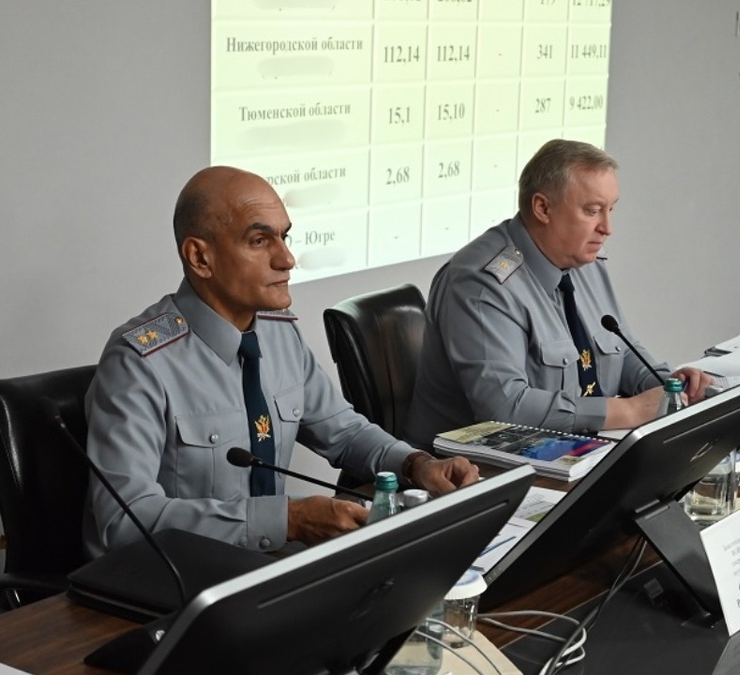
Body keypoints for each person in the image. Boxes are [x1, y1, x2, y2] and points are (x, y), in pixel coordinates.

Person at [83, 165, 478, 558]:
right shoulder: (139, 364)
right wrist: (289, 520)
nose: (287, 259)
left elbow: (344, 432)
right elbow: (123, 521)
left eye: (284, 237)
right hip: (179, 575)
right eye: (259, 241)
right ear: (200, 257)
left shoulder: (278, 332)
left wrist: (416, 465)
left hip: (266, 565)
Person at [405, 140, 711, 448]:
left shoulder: (584, 259)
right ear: (543, 208)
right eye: (593, 211)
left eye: (611, 209)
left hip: (572, 450)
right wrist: (629, 410)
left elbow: (622, 350)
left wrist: (668, 387)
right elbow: (504, 408)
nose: (607, 228)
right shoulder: (482, 284)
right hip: (475, 465)